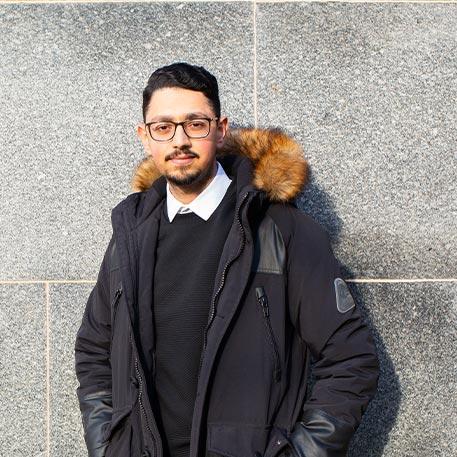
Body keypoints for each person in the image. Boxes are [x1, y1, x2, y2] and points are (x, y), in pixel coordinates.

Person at [74, 62, 379, 457]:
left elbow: (351, 359)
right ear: (145, 137)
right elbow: (94, 351)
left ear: (220, 130)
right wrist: (109, 447)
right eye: (163, 127)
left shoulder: (280, 230)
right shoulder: (130, 236)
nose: (179, 140)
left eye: (195, 124)